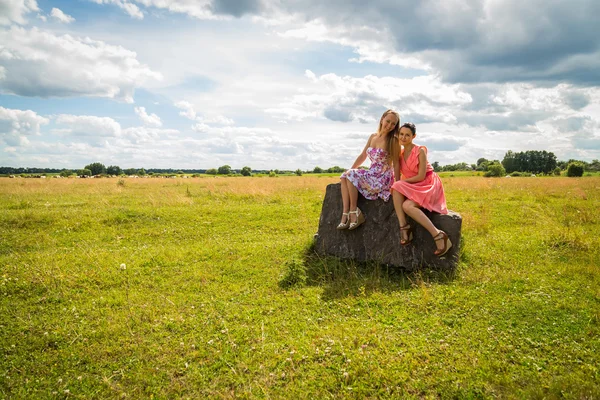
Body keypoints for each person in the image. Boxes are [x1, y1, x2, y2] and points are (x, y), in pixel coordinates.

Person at [391, 122, 452, 256]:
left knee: (398, 186)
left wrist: (402, 183)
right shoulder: (399, 154)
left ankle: (437, 236)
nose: (403, 137)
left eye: (407, 135)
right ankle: (406, 227)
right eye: (401, 134)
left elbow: (421, 176)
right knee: (406, 205)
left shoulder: (420, 150)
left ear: (414, 136)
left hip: (428, 184)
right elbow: (396, 175)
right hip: (414, 186)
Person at [338, 109, 401, 230]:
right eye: (388, 121)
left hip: (383, 177)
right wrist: (350, 171)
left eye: (393, 124)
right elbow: (363, 156)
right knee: (345, 176)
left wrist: (398, 184)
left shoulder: (393, 140)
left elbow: (397, 163)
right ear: (382, 119)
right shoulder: (373, 136)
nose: (390, 126)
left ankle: (353, 212)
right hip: (372, 173)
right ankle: (345, 213)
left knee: (351, 175)